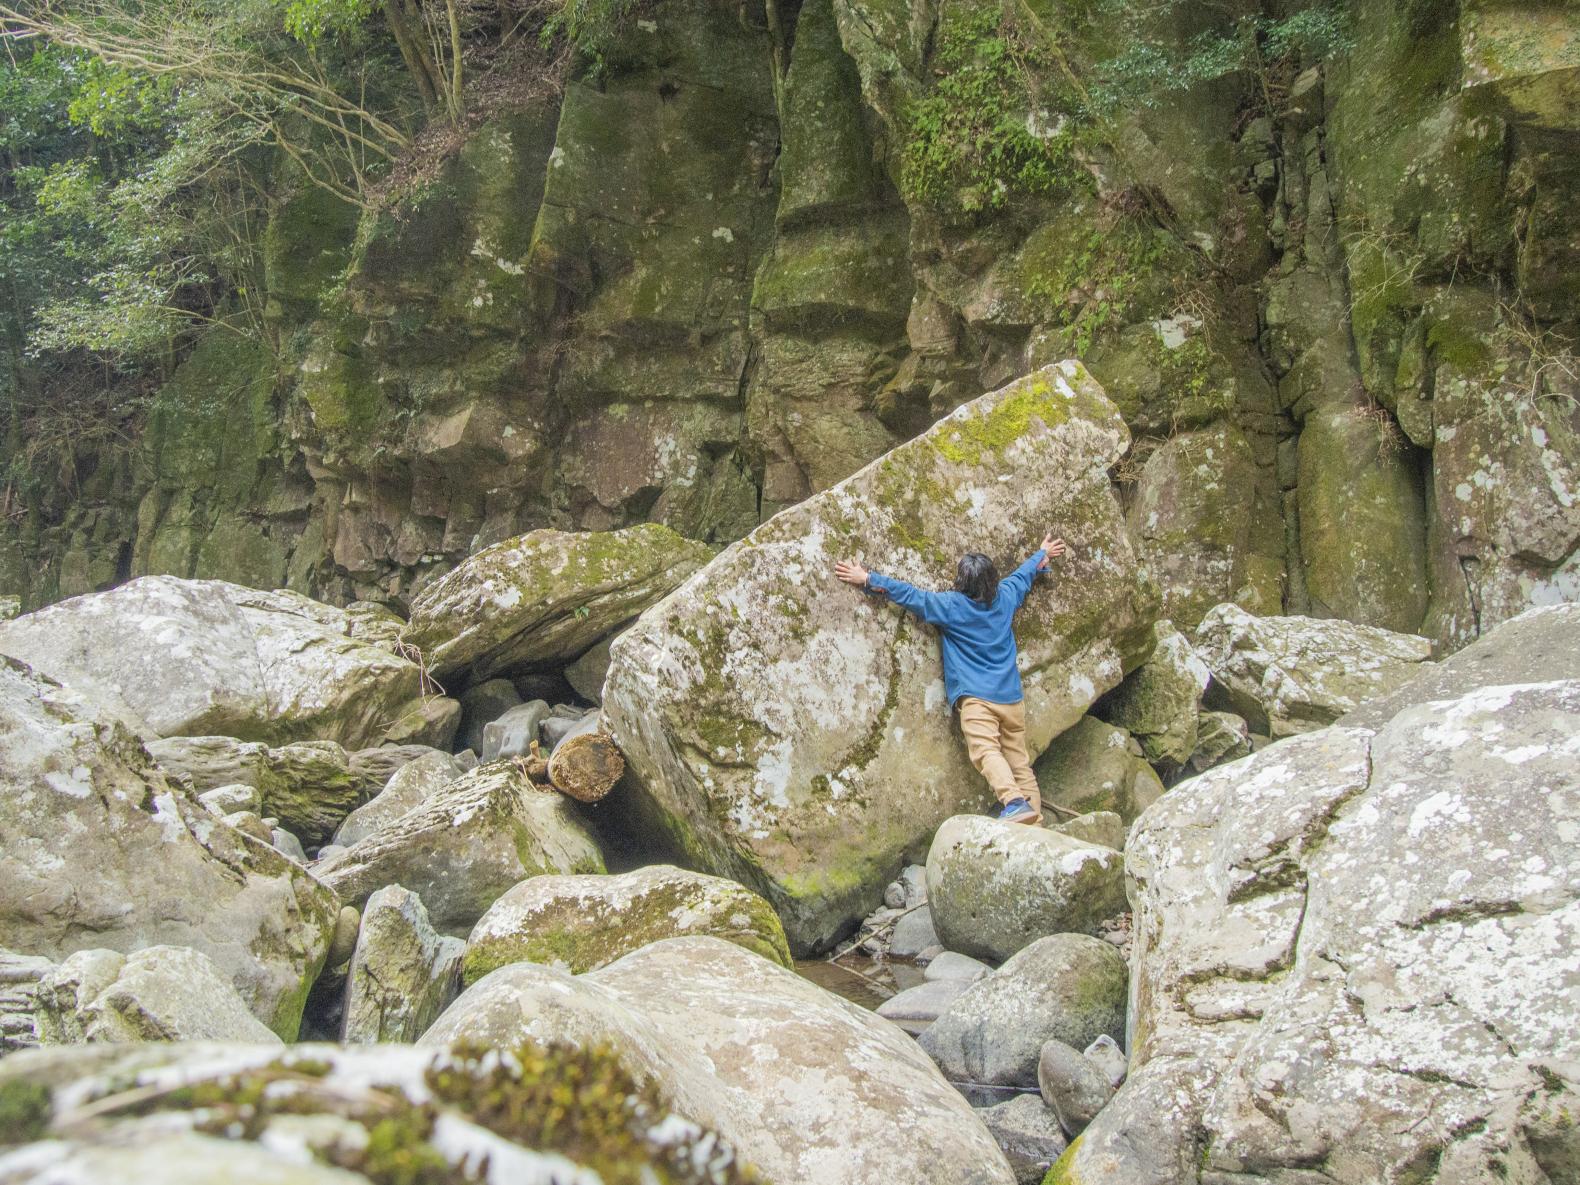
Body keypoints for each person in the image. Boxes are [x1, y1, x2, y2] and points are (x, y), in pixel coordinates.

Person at [834, 534, 1068, 825]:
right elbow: (1023, 575)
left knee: (985, 751)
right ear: (993, 579)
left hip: (978, 700)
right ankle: (1037, 828)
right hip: (1011, 699)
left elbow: (909, 595)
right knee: (1019, 763)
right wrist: (1041, 554)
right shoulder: (1005, 596)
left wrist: (866, 578)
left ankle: (1015, 802)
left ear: (962, 582)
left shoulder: (951, 606)